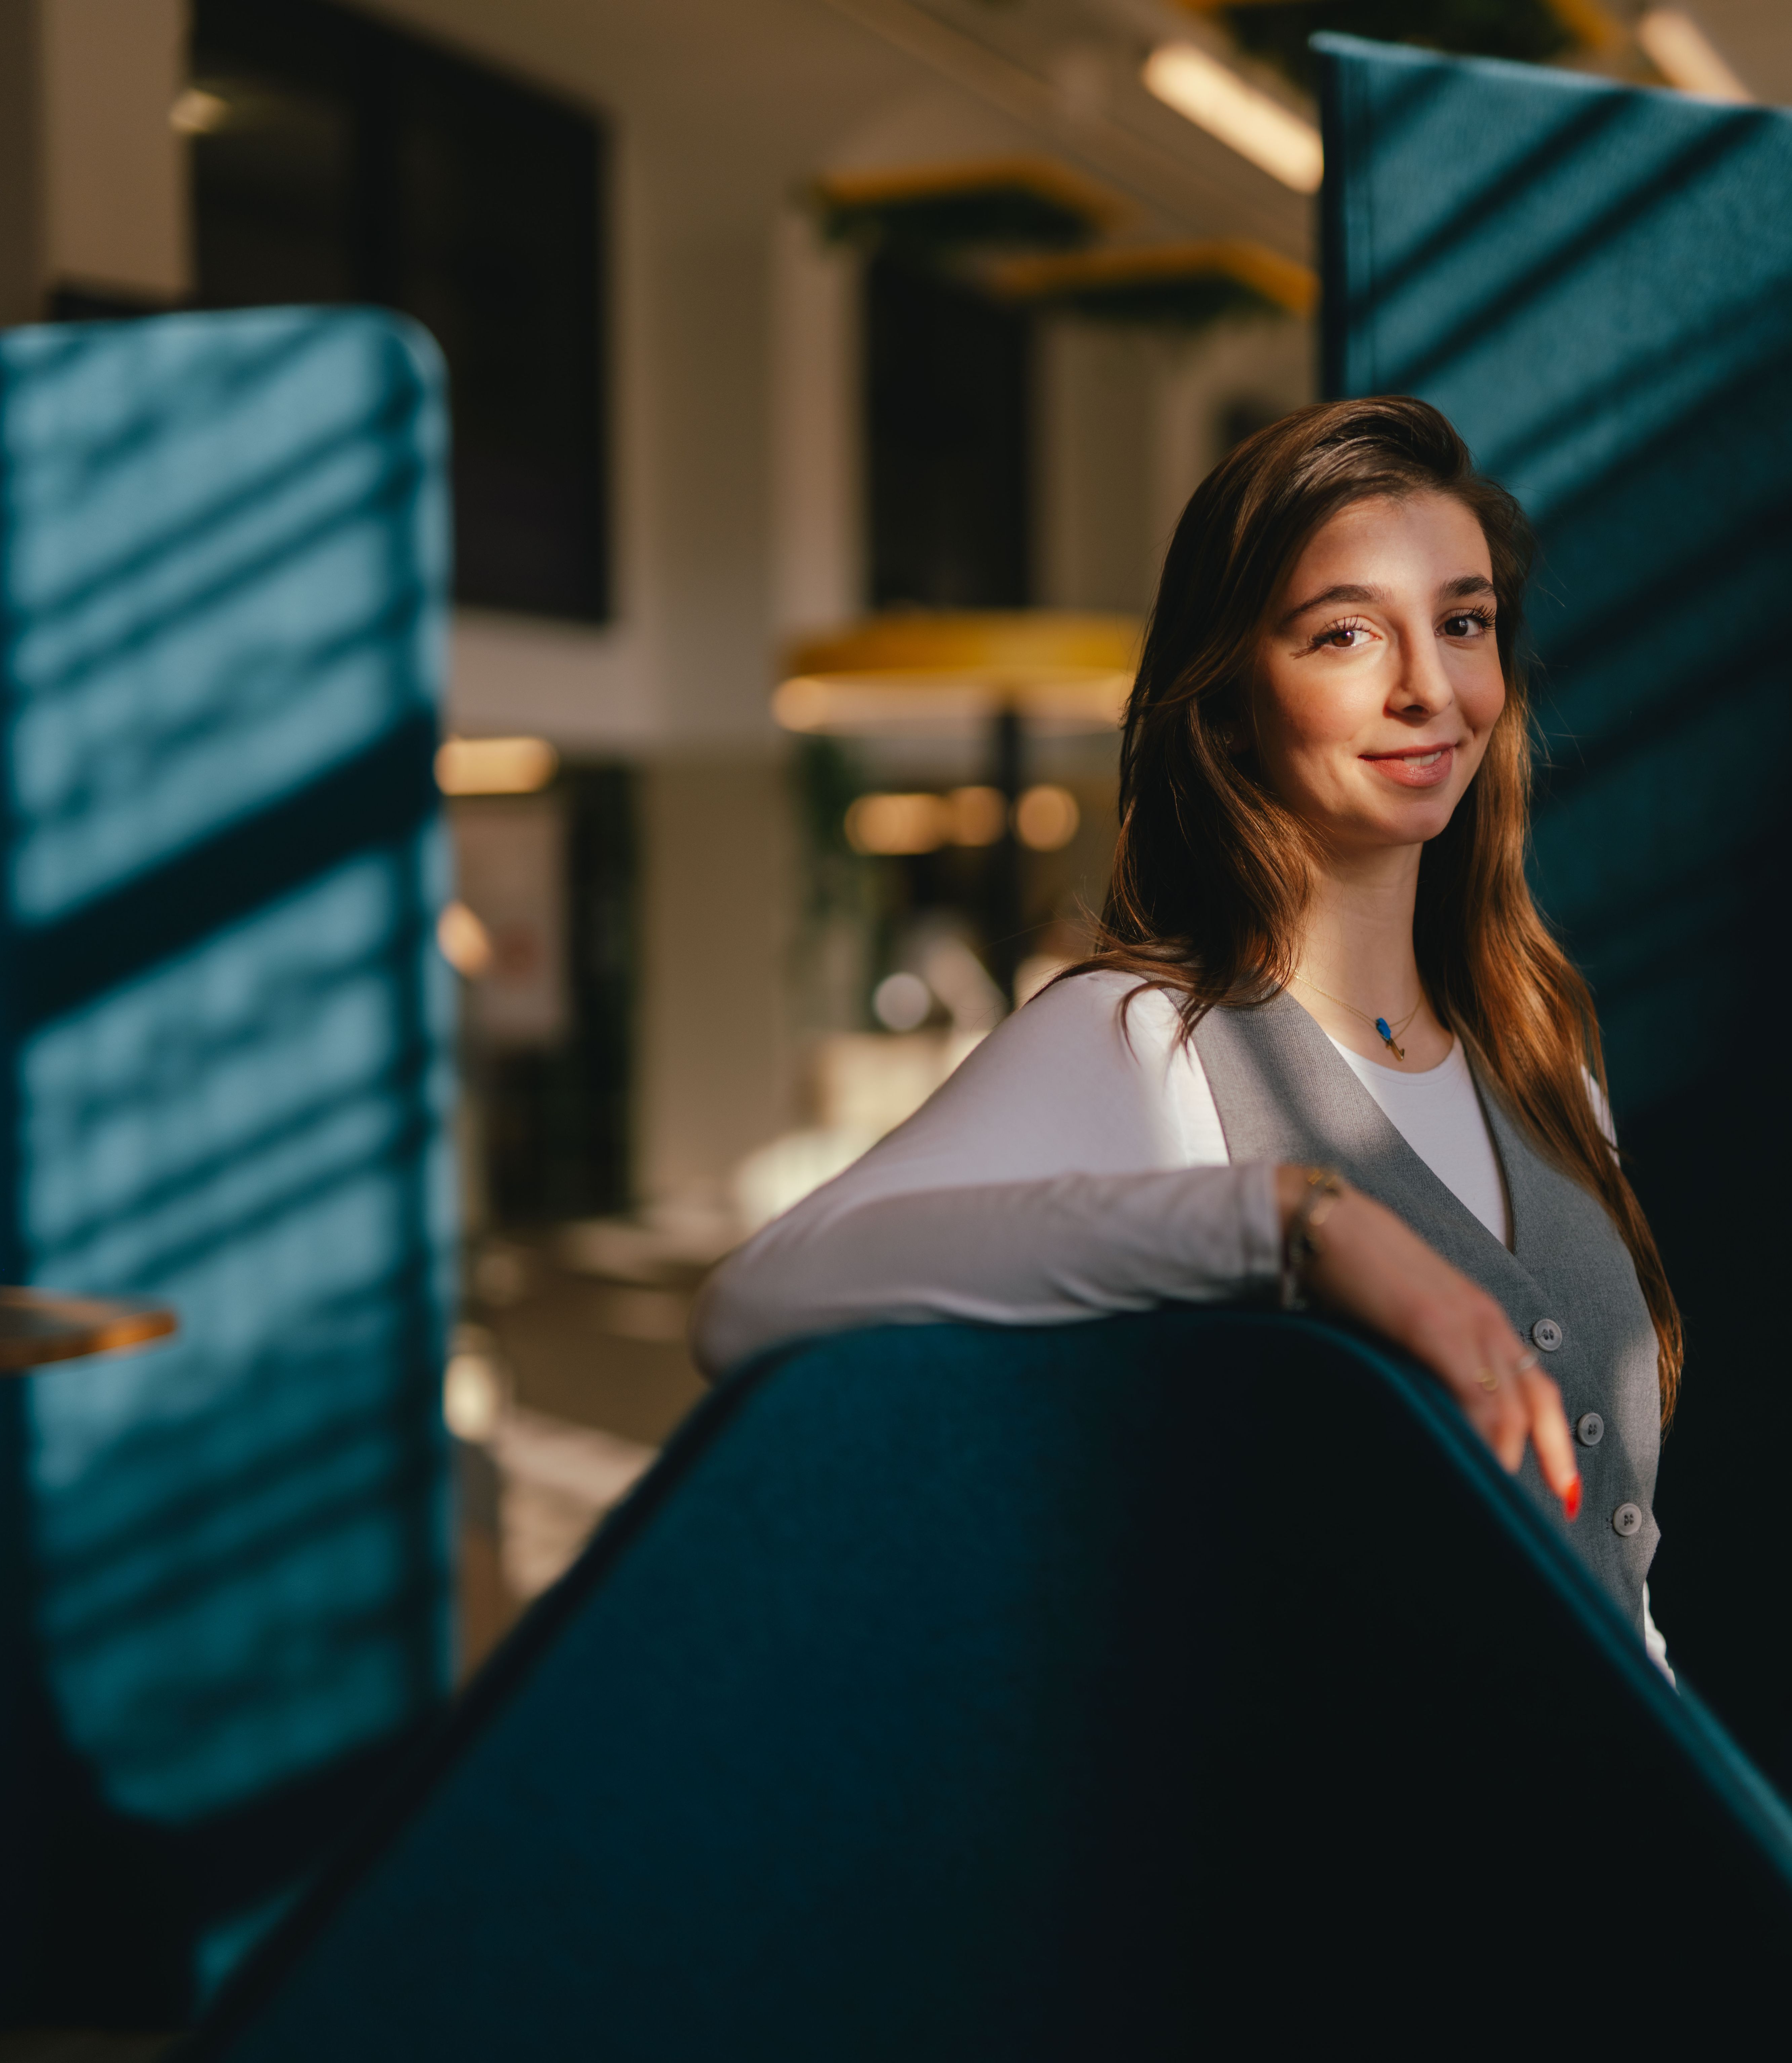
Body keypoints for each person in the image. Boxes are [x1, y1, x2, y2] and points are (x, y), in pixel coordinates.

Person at [693, 396, 1685, 1663]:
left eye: (1464, 623)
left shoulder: (1541, 1048)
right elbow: (757, 1300)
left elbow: (1618, 1566)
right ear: (1229, 699)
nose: (1429, 687)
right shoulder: (1147, 1038)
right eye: (1344, 635)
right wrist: (1292, 1228)